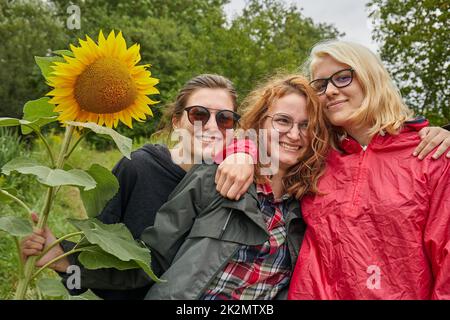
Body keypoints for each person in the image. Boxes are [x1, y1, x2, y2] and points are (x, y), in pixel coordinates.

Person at [21, 73, 242, 300]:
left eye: (225, 119)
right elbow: (97, 251)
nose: (212, 126)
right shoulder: (138, 168)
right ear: (176, 122)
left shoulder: (230, 183)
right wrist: (61, 261)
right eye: (199, 114)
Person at [283, 40, 449, 299]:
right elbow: (253, 140)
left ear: (370, 78)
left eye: (343, 77)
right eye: (321, 85)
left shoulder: (430, 155)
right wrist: (241, 152)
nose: (330, 91)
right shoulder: (311, 155)